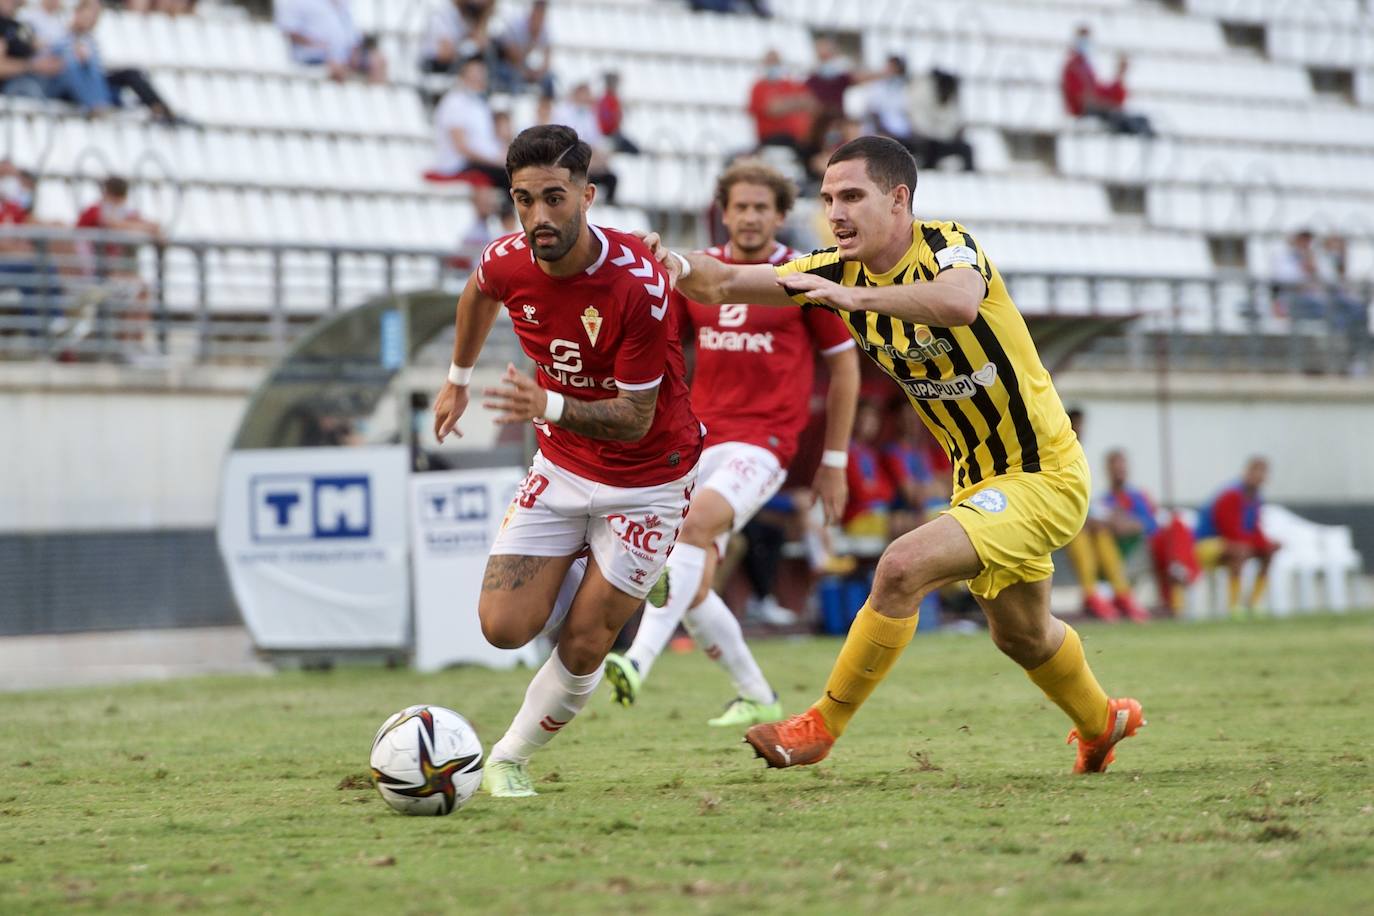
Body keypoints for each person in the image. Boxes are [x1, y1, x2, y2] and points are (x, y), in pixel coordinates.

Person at [643, 135, 1144, 774]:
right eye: (828, 199)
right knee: (1021, 634)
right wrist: (670, 261)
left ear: (899, 199)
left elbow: (958, 302)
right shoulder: (831, 268)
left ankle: (819, 727)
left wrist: (859, 297)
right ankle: (1103, 724)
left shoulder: (946, 245)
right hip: (977, 482)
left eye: (852, 196)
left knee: (900, 567)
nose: (836, 212)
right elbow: (719, 281)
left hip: (1042, 472)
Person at [431, 124, 702, 798]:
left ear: (588, 194)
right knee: (503, 628)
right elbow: (477, 292)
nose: (538, 217)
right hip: (562, 468)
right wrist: (458, 377)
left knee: (586, 639)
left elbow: (635, 418)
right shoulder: (508, 259)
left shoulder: (637, 285)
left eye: (554, 198)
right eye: (523, 200)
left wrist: (546, 404)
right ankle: (612, 565)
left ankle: (508, 758)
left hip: (649, 477)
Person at [603, 159, 859, 727]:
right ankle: (758, 696)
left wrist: (833, 460)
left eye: (761, 208)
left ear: (780, 215)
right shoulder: (697, 274)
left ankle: (639, 661)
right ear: (724, 212)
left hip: (765, 443)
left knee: (692, 528)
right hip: (697, 438)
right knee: (689, 578)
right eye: (740, 206)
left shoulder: (803, 276)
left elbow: (844, 370)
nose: (749, 217)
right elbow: (664, 352)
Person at [1194, 457, 1278, 617]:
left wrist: (1267, 544)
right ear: (1246, 472)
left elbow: (1254, 529)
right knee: (1238, 551)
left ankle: (1253, 604)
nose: (1259, 475)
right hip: (1205, 544)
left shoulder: (1256, 498)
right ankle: (1234, 606)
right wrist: (1253, 543)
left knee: (1268, 552)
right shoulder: (1230, 495)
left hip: (1233, 543)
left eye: (1263, 472)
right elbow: (1230, 531)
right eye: (1255, 470)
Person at [426, 57, 509, 188]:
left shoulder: (480, 104)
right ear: (463, 76)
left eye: (481, 74)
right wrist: (494, 161)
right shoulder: (455, 103)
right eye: (475, 74)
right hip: (459, 165)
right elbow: (462, 147)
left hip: (480, 161)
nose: (479, 79)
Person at [1060, 25, 1153, 137]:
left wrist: (1120, 75)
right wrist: (1103, 103)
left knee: (1140, 120)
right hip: (1085, 112)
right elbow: (1081, 99)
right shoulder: (1073, 66)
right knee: (1122, 120)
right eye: (1083, 38)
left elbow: (1101, 91)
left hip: (1095, 109)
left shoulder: (1085, 66)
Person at [275, 0, 386, 84]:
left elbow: (350, 30)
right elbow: (290, 30)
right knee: (337, 67)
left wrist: (354, 50)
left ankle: (375, 104)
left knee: (378, 61)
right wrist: (317, 45)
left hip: (344, 53)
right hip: (313, 55)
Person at [553, 82, 619, 204]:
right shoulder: (562, 112)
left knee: (611, 177)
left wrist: (599, 157)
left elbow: (595, 140)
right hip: (570, 156)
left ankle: (607, 204)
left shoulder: (590, 115)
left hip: (587, 157)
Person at [748, 49, 817, 163]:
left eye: (775, 62)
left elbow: (809, 103)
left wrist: (784, 104)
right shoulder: (758, 87)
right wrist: (794, 103)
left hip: (796, 139)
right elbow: (772, 109)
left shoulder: (790, 84)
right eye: (770, 62)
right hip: (771, 139)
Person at [906, 68, 975, 172]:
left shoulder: (952, 102)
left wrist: (954, 134)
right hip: (925, 144)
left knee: (966, 149)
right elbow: (920, 126)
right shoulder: (924, 98)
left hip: (943, 142)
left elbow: (954, 125)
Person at [1, 0, 65, 101]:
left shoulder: (20, 25)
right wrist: (32, 66)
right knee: (31, 90)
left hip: (39, 77)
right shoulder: (3, 26)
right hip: (15, 84)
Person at [597, 71, 639, 154]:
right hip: (610, 135)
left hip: (614, 134)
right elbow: (606, 122)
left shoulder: (613, 99)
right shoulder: (606, 100)